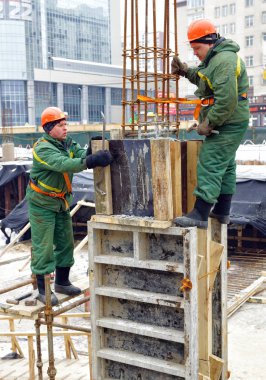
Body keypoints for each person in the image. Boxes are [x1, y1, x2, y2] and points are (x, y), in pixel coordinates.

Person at [26, 107, 113, 305]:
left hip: (61, 201)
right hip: (42, 204)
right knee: (44, 246)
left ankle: (62, 282)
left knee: (65, 242)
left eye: (66, 124)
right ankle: (43, 290)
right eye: (60, 125)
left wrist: (91, 150)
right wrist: (91, 161)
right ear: (49, 128)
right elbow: (64, 164)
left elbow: (78, 154)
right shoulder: (42, 149)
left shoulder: (66, 143)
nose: (65, 128)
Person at [171, 19, 249, 229]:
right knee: (226, 165)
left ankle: (200, 214)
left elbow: (227, 100)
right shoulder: (216, 59)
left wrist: (208, 123)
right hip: (233, 119)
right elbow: (205, 79)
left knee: (211, 161)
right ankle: (222, 211)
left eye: (197, 48)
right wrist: (186, 71)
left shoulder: (224, 60)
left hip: (228, 121)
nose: (195, 52)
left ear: (210, 42)